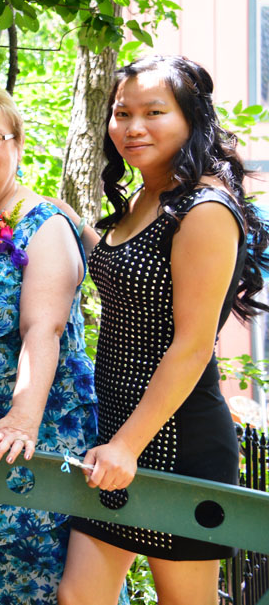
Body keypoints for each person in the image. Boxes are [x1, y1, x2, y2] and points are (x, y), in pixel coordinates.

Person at [58, 56, 268, 605]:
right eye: (121, 113)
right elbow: (131, 271)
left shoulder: (205, 209)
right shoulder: (148, 196)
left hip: (175, 440)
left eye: (154, 112)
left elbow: (193, 345)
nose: (132, 127)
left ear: (191, 118)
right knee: (79, 598)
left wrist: (127, 446)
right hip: (116, 435)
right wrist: (67, 221)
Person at [0, 88, 97, 604]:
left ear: (18, 145)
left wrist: (22, 420)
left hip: (31, 435)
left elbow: (42, 330)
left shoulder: (44, 224)